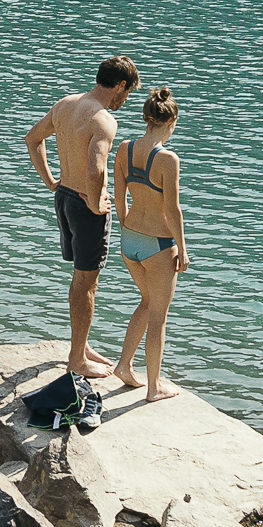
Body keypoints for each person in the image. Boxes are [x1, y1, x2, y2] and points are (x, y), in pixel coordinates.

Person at [25, 56, 139, 378]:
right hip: (84, 205)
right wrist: (94, 204)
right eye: (127, 93)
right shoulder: (103, 120)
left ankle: (81, 345)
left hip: (63, 198)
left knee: (80, 279)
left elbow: (33, 139)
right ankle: (76, 359)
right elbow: (96, 168)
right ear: (120, 85)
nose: (125, 100)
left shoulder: (66, 104)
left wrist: (50, 181)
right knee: (87, 283)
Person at [112, 84, 189, 401]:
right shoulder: (168, 159)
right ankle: (154, 388)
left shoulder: (125, 149)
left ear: (147, 118)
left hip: (129, 240)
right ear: (171, 123)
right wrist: (182, 250)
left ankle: (124, 367)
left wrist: (127, 223)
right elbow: (173, 210)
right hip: (158, 245)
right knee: (158, 316)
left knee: (146, 301)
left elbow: (118, 197)